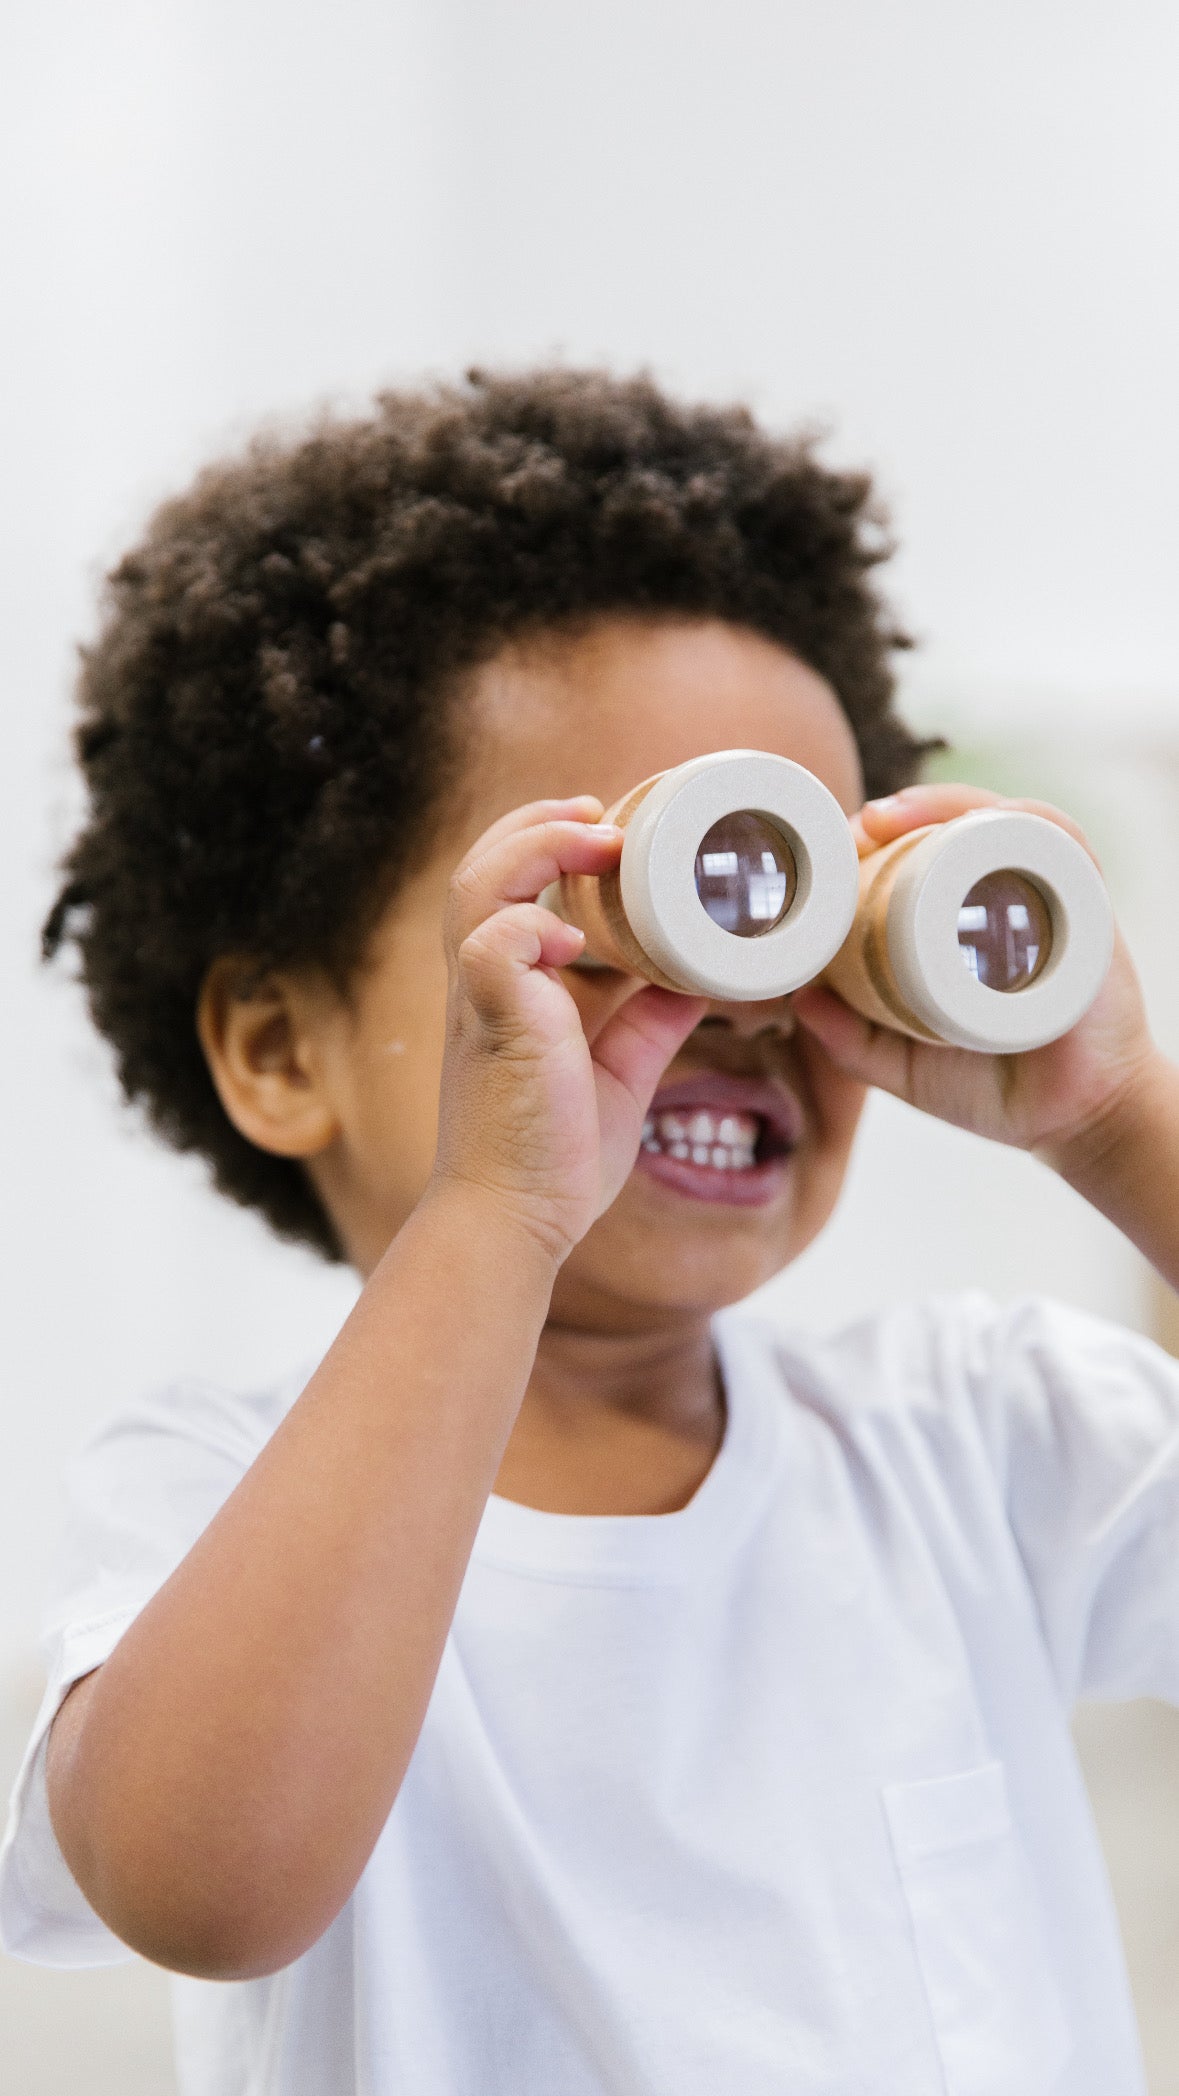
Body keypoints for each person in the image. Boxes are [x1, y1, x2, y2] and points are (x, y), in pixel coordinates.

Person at [2, 369, 1177, 2096]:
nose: (741, 1009)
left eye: (805, 914)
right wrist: (503, 1208)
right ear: (279, 1045)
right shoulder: (209, 1500)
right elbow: (209, 1886)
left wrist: (1115, 1119)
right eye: (626, 920)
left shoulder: (977, 1438)